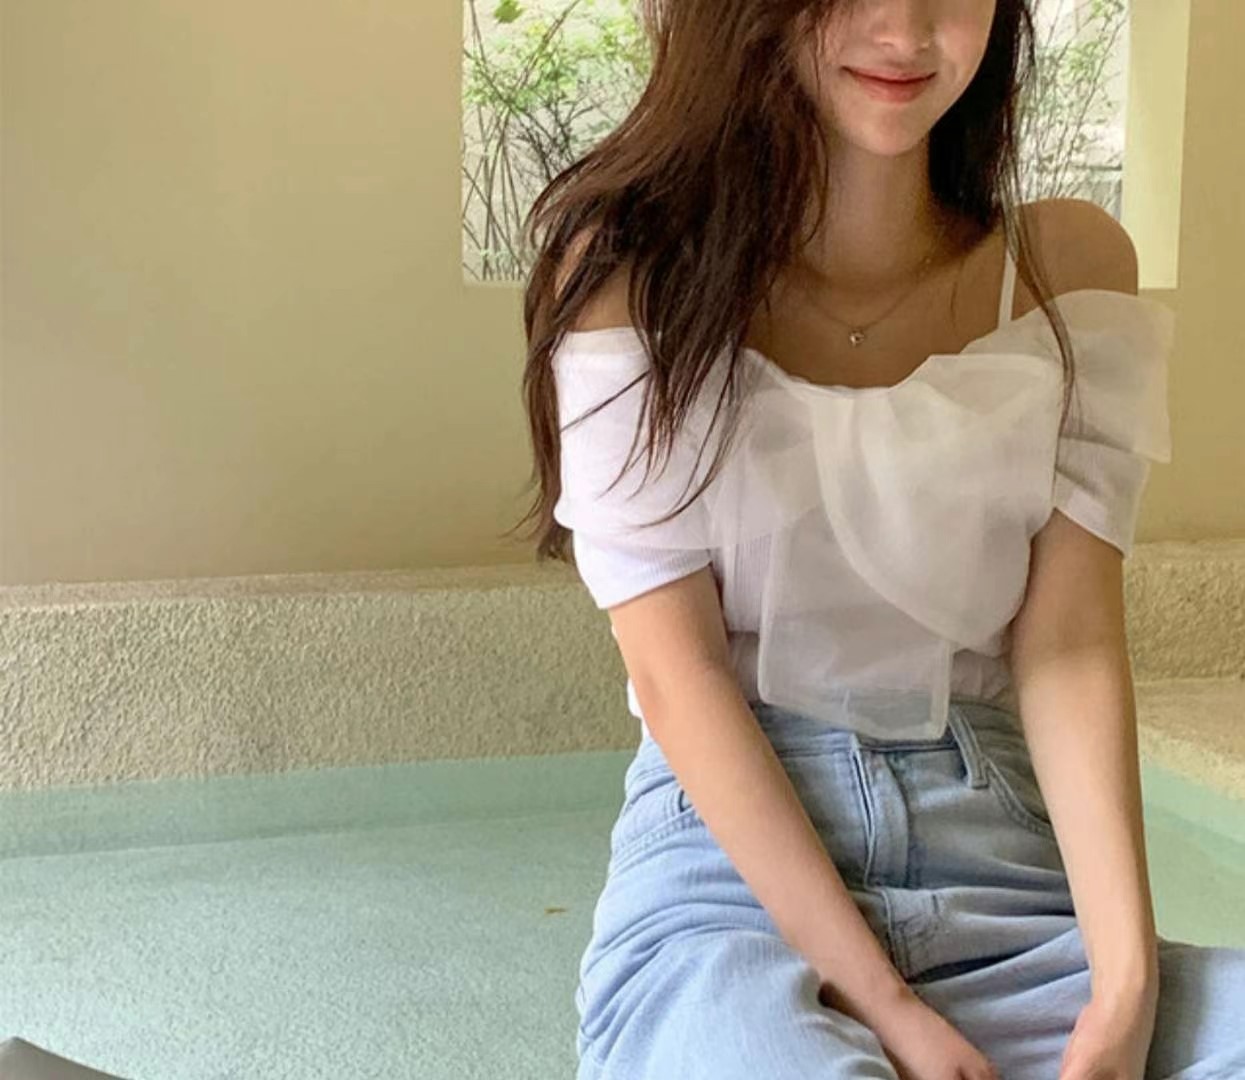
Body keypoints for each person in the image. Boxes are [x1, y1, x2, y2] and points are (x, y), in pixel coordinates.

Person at [512, 1, 1245, 1077]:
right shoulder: (629, 277)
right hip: (729, 883)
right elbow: (679, 677)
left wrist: (1123, 990)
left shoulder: (1069, 270)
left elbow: (1069, 645)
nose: (904, 29)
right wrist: (891, 1010)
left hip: (1001, 853)